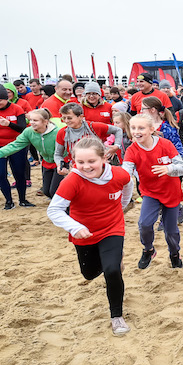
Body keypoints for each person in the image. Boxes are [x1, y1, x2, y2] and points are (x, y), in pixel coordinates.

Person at [47, 137, 134, 336]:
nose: (86, 166)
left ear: (104, 158)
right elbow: (54, 210)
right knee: (89, 273)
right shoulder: (72, 180)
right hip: (84, 233)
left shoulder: (118, 174)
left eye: (91, 161)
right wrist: (74, 227)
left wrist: (121, 206)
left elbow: (128, 184)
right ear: (74, 162)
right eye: (81, 162)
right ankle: (111, 260)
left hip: (112, 227)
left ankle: (117, 317)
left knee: (112, 270)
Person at [123, 115, 183, 269]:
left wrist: (168, 168)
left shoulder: (165, 144)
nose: (136, 132)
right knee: (144, 224)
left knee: (171, 231)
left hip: (171, 192)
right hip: (150, 192)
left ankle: (174, 254)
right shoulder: (132, 150)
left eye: (141, 128)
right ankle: (148, 250)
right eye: (133, 128)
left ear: (152, 129)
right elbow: (126, 172)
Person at [0, 108, 63, 197]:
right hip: (46, 162)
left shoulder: (57, 132)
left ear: (45, 122)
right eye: (31, 120)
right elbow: (15, 145)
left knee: (54, 191)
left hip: (60, 162)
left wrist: (66, 163)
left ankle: (65, 205)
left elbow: (67, 148)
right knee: (46, 191)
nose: (32, 122)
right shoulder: (29, 132)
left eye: (35, 120)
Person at [0, 84, 33, 209]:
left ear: (7, 99)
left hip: (16, 145)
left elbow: (22, 128)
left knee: (19, 173)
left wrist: (9, 124)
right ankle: (8, 201)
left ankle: (22, 199)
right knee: (1, 174)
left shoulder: (16, 109)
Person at [55, 103, 124, 173]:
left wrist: (117, 146)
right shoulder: (62, 132)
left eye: (69, 118)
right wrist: (60, 165)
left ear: (81, 117)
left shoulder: (93, 127)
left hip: (98, 167)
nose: (66, 121)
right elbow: (58, 154)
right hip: (77, 168)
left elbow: (118, 130)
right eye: (64, 118)